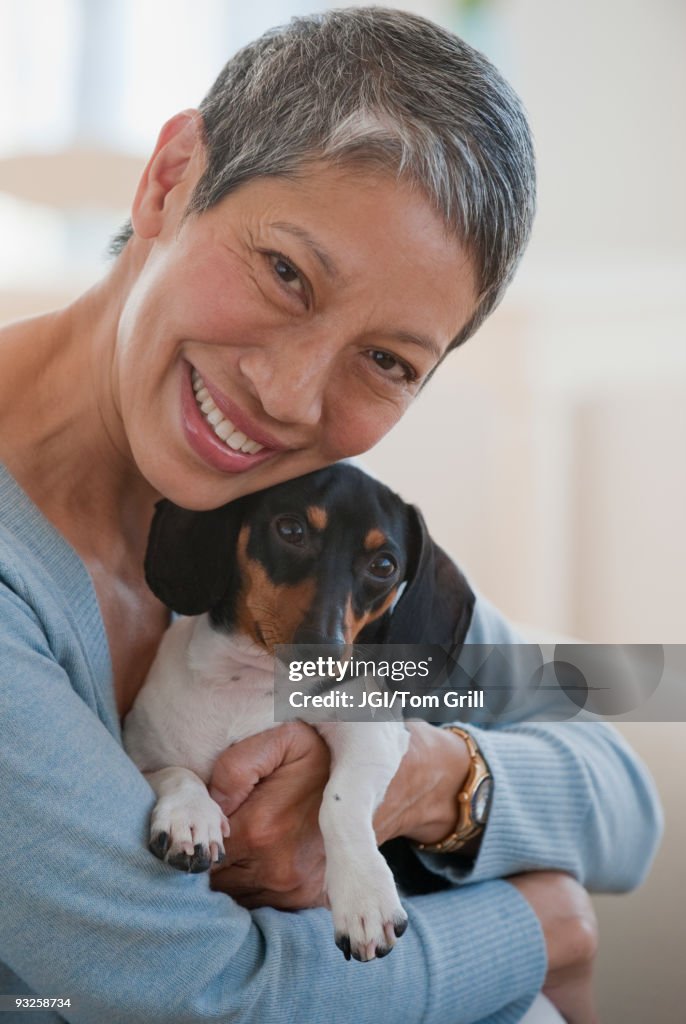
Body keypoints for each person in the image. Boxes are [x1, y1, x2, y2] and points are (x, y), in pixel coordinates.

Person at [0, 8, 662, 1024]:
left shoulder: (293, 533)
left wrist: (432, 783)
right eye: (284, 272)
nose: (292, 396)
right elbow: (197, 991)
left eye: (389, 360)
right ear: (173, 176)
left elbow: (618, 795)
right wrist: (541, 929)